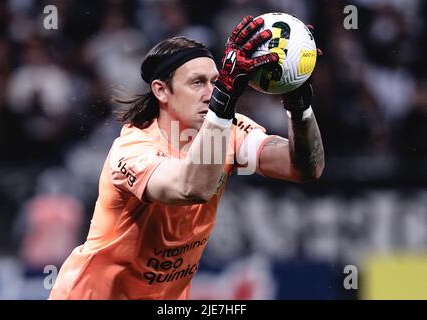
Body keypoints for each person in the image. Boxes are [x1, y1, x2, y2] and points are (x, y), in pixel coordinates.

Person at [49, 15, 324, 300]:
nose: (210, 93)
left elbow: (305, 167)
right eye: (197, 83)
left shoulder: (228, 130)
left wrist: (298, 102)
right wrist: (226, 99)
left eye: (216, 82)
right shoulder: (132, 151)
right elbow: (193, 187)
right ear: (161, 91)